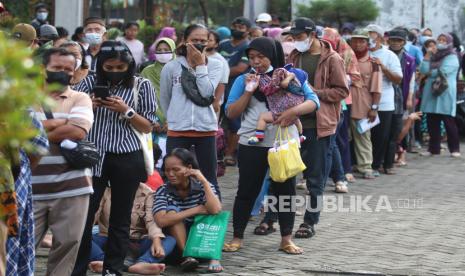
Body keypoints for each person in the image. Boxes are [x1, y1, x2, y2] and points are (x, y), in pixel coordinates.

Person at [222, 37, 319, 254]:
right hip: (252, 143)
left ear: (272, 56)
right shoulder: (243, 79)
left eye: (261, 57)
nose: (256, 62)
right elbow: (231, 112)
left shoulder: (288, 75)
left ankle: (286, 239)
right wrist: (249, 90)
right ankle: (237, 237)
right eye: (252, 57)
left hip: (284, 143)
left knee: (285, 192)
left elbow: (314, 102)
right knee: (247, 192)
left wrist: (292, 112)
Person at [72, 40, 156, 276]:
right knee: (84, 217)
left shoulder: (142, 85)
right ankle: (77, 269)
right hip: (92, 157)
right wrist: (90, 105)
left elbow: (148, 126)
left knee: (121, 218)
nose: (116, 72)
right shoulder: (87, 82)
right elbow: (72, 117)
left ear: (129, 65)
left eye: (121, 67)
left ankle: (113, 269)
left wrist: (126, 110)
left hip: (127, 156)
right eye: (110, 67)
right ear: (101, 65)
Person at [30, 48, 93, 276]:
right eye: (57, 68)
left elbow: (77, 132)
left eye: (68, 69)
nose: (63, 73)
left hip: (72, 187)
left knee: (66, 248)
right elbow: (12, 134)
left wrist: (34, 132)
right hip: (30, 188)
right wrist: (57, 126)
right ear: (42, 69)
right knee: (18, 247)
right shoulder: (25, 99)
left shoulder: (80, 97)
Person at [285, 18, 349, 238]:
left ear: (312, 34)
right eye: (293, 37)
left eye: (299, 36)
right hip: (295, 123)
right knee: (285, 173)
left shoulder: (332, 58)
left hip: (320, 124)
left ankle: (309, 222)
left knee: (315, 177)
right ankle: (277, 218)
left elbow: (341, 92)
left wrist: (313, 93)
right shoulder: (294, 56)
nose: (296, 40)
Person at [159, 24, 223, 198]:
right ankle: (176, 215)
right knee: (174, 176)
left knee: (209, 177)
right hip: (178, 129)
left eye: (203, 40)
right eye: (194, 40)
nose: (199, 43)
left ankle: (211, 218)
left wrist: (200, 66)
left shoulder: (215, 65)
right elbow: (165, 98)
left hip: (206, 129)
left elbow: (207, 93)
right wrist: (173, 117)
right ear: (185, 41)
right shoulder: (171, 67)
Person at [153, 148, 222, 272]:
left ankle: (214, 257)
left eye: (176, 169)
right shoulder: (163, 190)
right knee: (173, 214)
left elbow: (216, 209)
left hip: (201, 239)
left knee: (212, 214)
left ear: (189, 168)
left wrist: (204, 181)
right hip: (177, 245)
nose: (171, 174)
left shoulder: (202, 186)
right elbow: (161, 221)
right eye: (167, 170)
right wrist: (196, 209)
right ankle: (188, 256)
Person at [88, 183, 173, 275]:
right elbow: (93, 215)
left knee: (170, 240)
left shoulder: (148, 193)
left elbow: (151, 221)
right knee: (82, 238)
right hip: (108, 238)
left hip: (136, 242)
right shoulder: (106, 192)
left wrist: (156, 240)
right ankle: (104, 260)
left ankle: (143, 262)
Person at [6, 115, 49, 276]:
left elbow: (38, 146)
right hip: (11, 183)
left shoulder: (16, 105)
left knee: (9, 241)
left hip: (10, 185)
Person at [323, 27, 362, 189]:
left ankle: (342, 173)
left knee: (337, 139)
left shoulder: (346, 54)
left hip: (341, 100)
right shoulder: (318, 54)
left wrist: (343, 77)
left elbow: (355, 77)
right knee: (327, 141)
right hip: (320, 101)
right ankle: (333, 176)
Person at [366, 24, 403, 176]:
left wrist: (384, 68)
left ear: (380, 37)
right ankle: (365, 164)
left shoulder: (389, 55)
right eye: (367, 34)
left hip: (384, 103)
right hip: (363, 101)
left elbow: (398, 79)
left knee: (381, 136)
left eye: (372, 34)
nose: (369, 37)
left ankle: (377, 165)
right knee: (365, 135)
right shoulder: (361, 53)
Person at [348, 29, 382, 179]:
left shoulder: (373, 63)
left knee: (362, 136)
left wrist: (374, 108)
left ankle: (366, 166)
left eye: (362, 41)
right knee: (344, 136)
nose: (358, 43)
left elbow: (377, 89)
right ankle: (346, 166)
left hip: (363, 103)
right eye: (355, 40)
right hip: (343, 102)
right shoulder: (344, 58)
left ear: (367, 43)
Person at [420, 33, 461, 157]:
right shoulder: (433, 55)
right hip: (431, 92)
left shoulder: (452, 56)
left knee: (448, 121)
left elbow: (444, 71)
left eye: (444, 40)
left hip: (445, 91)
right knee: (432, 121)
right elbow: (423, 70)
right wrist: (427, 55)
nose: (441, 42)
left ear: (449, 42)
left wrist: (429, 72)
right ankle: (433, 149)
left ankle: (454, 149)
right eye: (439, 39)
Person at [218, 17, 252, 167]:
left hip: (235, 88)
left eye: (242, 27)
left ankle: (230, 153)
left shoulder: (247, 46)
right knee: (217, 120)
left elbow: (241, 68)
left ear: (248, 30)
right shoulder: (223, 44)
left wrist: (218, 73)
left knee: (234, 122)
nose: (237, 28)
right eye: (235, 25)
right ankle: (218, 150)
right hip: (218, 88)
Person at [247, 65, 306, 145]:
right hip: (295, 105)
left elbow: (268, 89)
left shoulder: (278, 75)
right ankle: (301, 136)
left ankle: (258, 137)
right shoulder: (295, 84)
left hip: (280, 109)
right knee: (296, 120)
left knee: (263, 117)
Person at [386, 29, 416, 173]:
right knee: (384, 129)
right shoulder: (384, 55)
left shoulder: (409, 59)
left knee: (398, 128)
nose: (396, 43)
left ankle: (398, 154)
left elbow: (411, 80)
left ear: (404, 42)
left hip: (401, 97)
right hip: (384, 95)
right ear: (388, 41)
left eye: (399, 40)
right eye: (393, 40)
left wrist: (409, 97)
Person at [141, 38, 176, 137]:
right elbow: (142, 97)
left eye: (166, 50)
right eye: (159, 50)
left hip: (176, 122)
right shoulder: (147, 72)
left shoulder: (180, 70)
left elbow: (182, 99)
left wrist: (171, 120)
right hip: (150, 123)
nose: (162, 53)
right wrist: (152, 119)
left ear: (173, 51)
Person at [206, 30, 230, 115]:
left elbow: (222, 83)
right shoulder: (197, 57)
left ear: (216, 44)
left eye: (210, 40)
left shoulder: (220, 60)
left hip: (212, 102)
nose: (207, 42)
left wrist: (216, 102)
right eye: (205, 39)